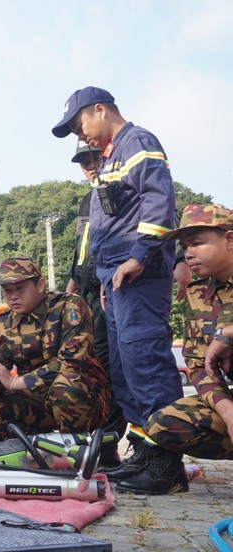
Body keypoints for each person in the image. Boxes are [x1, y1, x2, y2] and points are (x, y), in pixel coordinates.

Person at [52, 86, 185, 493]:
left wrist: (139, 256)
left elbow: (159, 203)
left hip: (140, 275)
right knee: (127, 369)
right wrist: (110, 275)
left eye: (81, 125)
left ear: (100, 109)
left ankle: (166, 465)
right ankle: (145, 453)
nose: (82, 135)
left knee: (146, 362)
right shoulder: (110, 157)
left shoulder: (138, 143)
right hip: (120, 279)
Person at [0, 257, 111, 440]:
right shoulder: (2, 324)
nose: (13, 296)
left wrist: (17, 383)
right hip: (35, 403)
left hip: (84, 399)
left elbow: (72, 362)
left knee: (66, 386)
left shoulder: (69, 306)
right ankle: (38, 449)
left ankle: (76, 451)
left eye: (19, 289)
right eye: (7, 291)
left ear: (40, 285)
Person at [142, 204, 233, 493]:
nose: (188, 253)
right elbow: (196, 365)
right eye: (184, 246)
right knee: (164, 423)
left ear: (229, 239)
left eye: (197, 243)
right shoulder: (197, 294)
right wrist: (228, 412)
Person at [66, 140, 126, 467]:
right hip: (87, 293)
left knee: (113, 370)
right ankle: (97, 440)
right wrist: (72, 281)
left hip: (112, 290)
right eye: (82, 161)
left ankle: (110, 444)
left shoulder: (122, 190)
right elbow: (81, 245)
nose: (88, 165)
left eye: (93, 158)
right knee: (92, 369)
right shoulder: (88, 199)